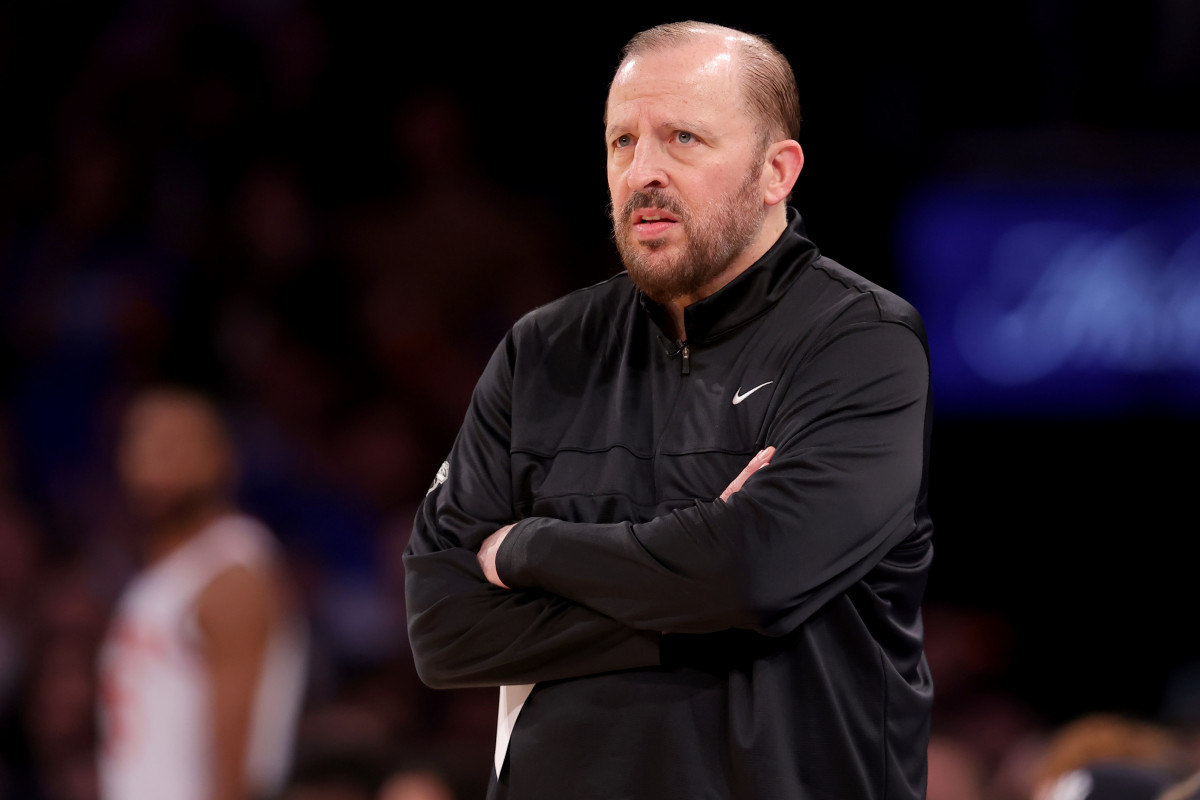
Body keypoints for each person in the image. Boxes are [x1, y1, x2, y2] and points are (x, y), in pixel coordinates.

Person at [403, 19, 934, 800]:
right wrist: (701, 585)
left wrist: (528, 549)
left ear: (776, 171)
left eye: (683, 138)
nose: (642, 170)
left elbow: (751, 573)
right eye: (622, 142)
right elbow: (444, 629)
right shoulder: (542, 352)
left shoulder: (862, 343)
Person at [97, 386, 310, 800]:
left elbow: (240, 753)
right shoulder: (160, 576)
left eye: (175, 441)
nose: (154, 452)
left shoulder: (231, 570)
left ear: (222, 458)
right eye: (140, 437)